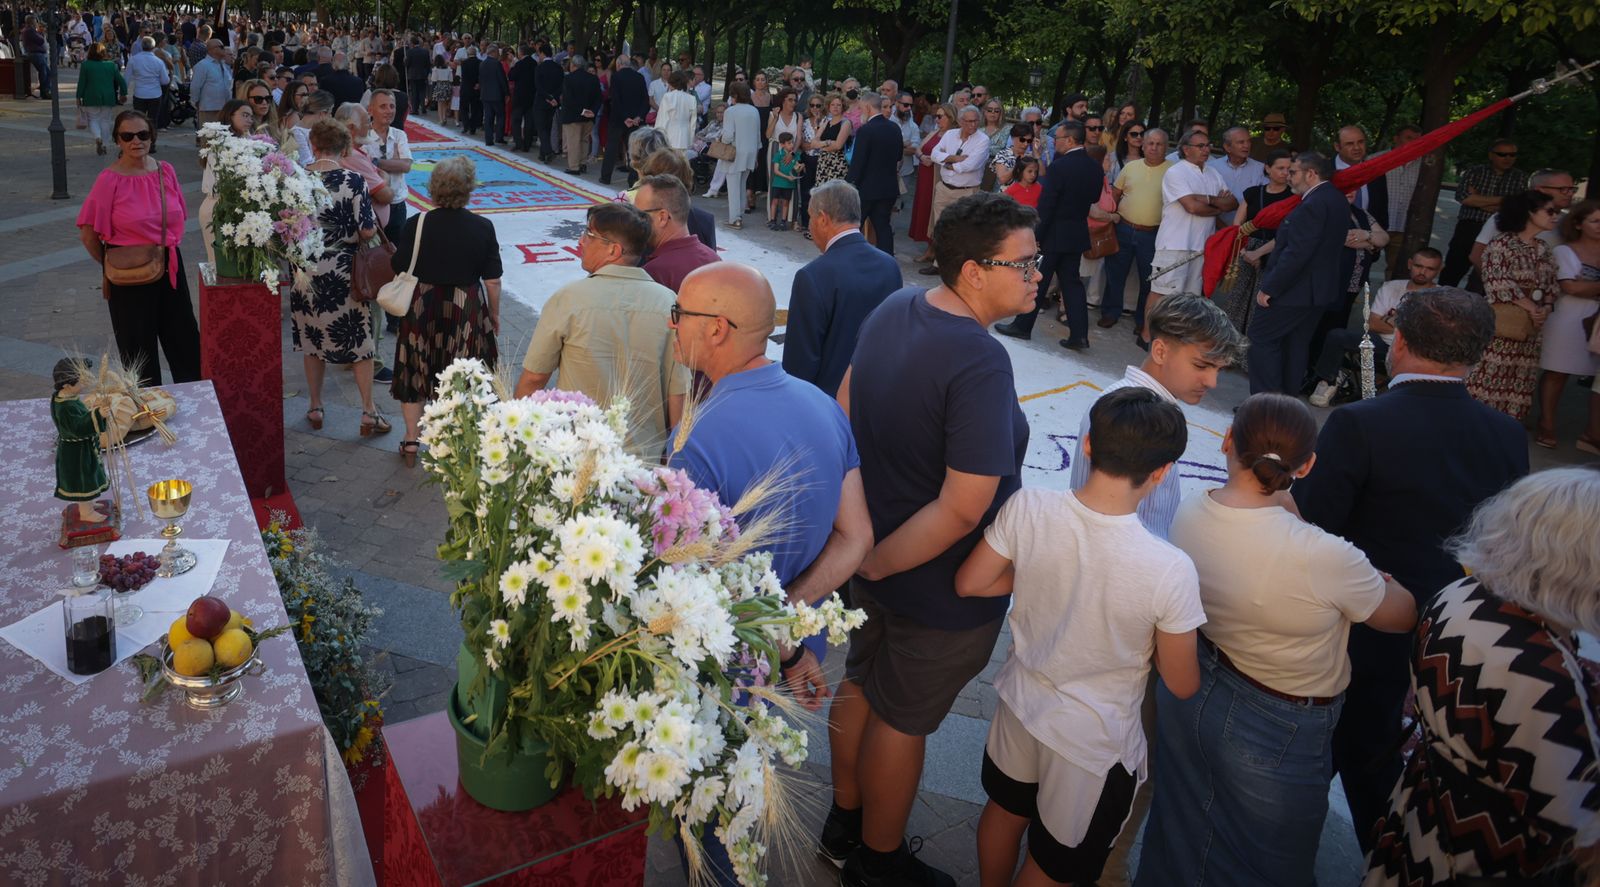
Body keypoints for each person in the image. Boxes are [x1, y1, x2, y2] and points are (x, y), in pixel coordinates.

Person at [821, 193, 1036, 887]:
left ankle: (844, 822)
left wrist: (860, 544)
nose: (1038, 275)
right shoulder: (979, 359)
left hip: (876, 556)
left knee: (860, 682)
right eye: (1025, 263)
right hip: (936, 584)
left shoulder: (898, 306)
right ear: (975, 270)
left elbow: (842, 413)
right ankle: (878, 865)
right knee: (901, 718)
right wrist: (878, 556)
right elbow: (963, 504)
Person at [1136, 393, 1417, 887]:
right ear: (1306, 466)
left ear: (1226, 440)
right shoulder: (1327, 557)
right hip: (1281, 720)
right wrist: (1372, 573)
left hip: (1196, 680)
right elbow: (1401, 615)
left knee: (1181, 825)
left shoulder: (1191, 510)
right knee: (1272, 864)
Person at [1291, 286, 1529, 852]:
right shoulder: (1509, 435)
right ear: (1478, 356)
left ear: (1397, 344)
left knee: (1338, 753)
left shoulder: (1360, 424)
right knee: (1381, 753)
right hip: (1455, 630)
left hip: (1365, 624)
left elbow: (1313, 528)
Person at [667, 261, 874, 886]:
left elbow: (693, 585)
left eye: (681, 314)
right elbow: (857, 536)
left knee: (710, 806)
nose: (672, 325)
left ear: (719, 329)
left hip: (721, 667)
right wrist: (790, 623)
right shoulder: (821, 404)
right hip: (784, 653)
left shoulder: (697, 437)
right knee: (748, 783)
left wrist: (779, 639)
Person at [958, 387, 1206, 887]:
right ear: (1161, 474)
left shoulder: (1030, 507)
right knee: (1055, 865)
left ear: (1088, 444)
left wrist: (1035, 576)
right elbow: (1182, 683)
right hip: (1093, 744)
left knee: (1003, 814)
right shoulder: (1170, 569)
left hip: (1021, 702)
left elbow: (972, 581)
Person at [1363, 468, 1600, 887]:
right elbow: (1582, 831)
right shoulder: (1540, 677)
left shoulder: (1458, 595)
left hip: (1421, 825)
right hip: (1481, 857)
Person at [514, 202, 686, 457]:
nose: (581, 241)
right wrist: (676, 455)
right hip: (643, 456)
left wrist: (515, 433)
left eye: (589, 235)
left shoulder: (569, 298)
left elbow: (534, 378)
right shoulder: (668, 301)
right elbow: (678, 391)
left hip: (577, 452)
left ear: (614, 250)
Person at [388, 156, 502, 466]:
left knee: (415, 371)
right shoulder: (483, 226)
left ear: (434, 187)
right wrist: (494, 314)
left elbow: (398, 265)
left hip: (421, 305)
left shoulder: (417, 223)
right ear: (469, 189)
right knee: (461, 374)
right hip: (465, 308)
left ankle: (412, 439)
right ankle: (452, 440)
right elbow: (492, 280)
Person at [74, 110, 200, 388]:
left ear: (151, 136)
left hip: (170, 266)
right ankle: (148, 418)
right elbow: (88, 234)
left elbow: (179, 214)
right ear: (117, 140)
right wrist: (112, 263)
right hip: (129, 275)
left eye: (142, 134)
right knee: (139, 355)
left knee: (186, 344)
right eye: (127, 136)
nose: (136, 141)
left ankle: (196, 409)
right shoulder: (109, 180)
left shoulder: (165, 171)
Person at [291, 121, 389, 438]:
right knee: (360, 342)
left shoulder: (298, 179)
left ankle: (316, 406)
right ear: (345, 148)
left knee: (312, 339)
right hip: (342, 268)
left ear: (314, 146)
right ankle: (368, 411)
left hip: (306, 268)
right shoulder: (353, 179)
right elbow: (366, 230)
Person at [784, 180, 904, 396]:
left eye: (810, 217)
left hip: (827, 403)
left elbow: (799, 362)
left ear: (822, 218)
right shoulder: (889, 266)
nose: (809, 225)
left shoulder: (813, 276)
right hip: (876, 395)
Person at [992, 120, 1102, 349]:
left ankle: (1022, 326)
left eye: (1059, 138)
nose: (1056, 142)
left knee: (1035, 278)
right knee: (1072, 283)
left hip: (1052, 233)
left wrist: (1036, 235)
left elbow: (1047, 204)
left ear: (1070, 140)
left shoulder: (1060, 167)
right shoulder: (1094, 167)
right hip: (1076, 233)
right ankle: (1080, 335)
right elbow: (1092, 198)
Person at [1248, 152, 1346, 395]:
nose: (1288, 177)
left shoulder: (1313, 204)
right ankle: (1284, 407)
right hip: (1315, 292)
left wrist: (1270, 288)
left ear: (1311, 174)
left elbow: (1297, 254)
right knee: (1295, 345)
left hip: (1294, 290)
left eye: (1293, 172)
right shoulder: (1336, 199)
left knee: (1261, 338)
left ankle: (1265, 408)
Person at [1467, 189, 1561, 422]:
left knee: (1520, 382)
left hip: (1531, 331)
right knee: (1488, 377)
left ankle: (1505, 431)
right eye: (1550, 211)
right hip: (1502, 329)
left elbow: (1551, 286)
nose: (1555, 216)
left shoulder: (1544, 249)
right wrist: (1533, 308)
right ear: (1529, 212)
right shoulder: (1501, 245)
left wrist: (1545, 309)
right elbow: (1498, 283)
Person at [1308, 247, 1443, 407]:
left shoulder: (1442, 298)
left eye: (1430, 269)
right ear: (1410, 264)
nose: (1422, 272)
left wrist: (1391, 320)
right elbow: (1372, 324)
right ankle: (1328, 382)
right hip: (1382, 343)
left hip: (1415, 351)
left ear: (1439, 270)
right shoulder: (1391, 287)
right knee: (1337, 336)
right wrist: (1410, 324)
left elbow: (1431, 334)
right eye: (1418, 266)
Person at [1209, 149, 1294, 342]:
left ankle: (1251, 355)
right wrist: (1245, 251)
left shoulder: (1294, 199)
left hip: (1274, 252)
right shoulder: (1254, 193)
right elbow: (1237, 227)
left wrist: (1259, 254)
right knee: (1236, 300)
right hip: (1246, 249)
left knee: (1261, 304)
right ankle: (1229, 348)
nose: (1285, 173)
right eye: (1280, 168)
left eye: (1289, 169)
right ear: (1267, 168)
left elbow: (1287, 233)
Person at [1150, 128, 1235, 307]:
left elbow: (1232, 203)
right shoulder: (1177, 172)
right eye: (1200, 146)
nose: (1206, 149)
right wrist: (1216, 207)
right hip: (1174, 245)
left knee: (1189, 300)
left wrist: (1207, 199)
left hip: (1201, 247)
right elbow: (1192, 207)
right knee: (1162, 295)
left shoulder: (1213, 173)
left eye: (1208, 145)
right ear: (1186, 149)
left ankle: (1175, 335)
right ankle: (1147, 335)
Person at [1540, 200, 1600, 452]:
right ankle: (1547, 423)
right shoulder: (1565, 251)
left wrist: (1588, 287)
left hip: (1596, 319)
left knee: (1596, 379)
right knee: (1557, 373)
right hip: (1568, 318)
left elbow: (1580, 286)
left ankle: (1592, 433)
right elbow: (1570, 287)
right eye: (1595, 221)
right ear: (1578, 224)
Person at [1103, 129, 1171, 345]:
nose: (1154, 147)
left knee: (1148, 281)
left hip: (1152, 234)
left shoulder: (1173, 171)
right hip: (1124, 227)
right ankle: (1110, 313)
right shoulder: (1131, 167)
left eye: (1159, 144)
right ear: (1143, 145)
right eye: (1150, 143)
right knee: (1115, 273)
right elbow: (1115, 193)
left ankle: (1142, 321)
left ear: (1166, 147)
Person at [1442, 139, 1529, 287]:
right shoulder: (1475, 172)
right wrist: (1505, 201)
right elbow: (1464, 198)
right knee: (1453, 269)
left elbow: (1518, 205)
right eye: (1502, 154)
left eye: (1512, 155)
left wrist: (1479, 200)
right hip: (1470, 227)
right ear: (1491, 155)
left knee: (1485, 274)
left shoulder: (1520, 177)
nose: (1508, 158)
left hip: (1501, 230)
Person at [921, 106, 989, 275]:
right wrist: (954, 159)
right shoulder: (950, 135)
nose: (973, 125)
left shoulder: (983, 140)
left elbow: (971, 165)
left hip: (966, 191)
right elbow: (934, 154)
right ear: (960, 121)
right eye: (968, 121)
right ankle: (938, 264)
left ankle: (958, 268)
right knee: (940, 228)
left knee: (963, 230)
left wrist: (946, 162)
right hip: (944, 188)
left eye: (975, 121)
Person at [637, 174, 720, 292]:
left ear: (662, 217)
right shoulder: (714, 259)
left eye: (639, 214)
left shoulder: (655, 272)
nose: (634, 220)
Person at [845, 91, 901, 254]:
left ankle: (848, 256)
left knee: (853, 227)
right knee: (883, 226)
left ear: (868, 108)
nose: (861, 112)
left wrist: (848, 184)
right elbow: (898, 156)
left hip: (866, 189)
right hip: (888, 187)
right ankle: (887, 260)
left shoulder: (866, 130)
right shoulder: (894, 128)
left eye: (862, 108)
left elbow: (858, 162)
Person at [601, 55, 648, 185]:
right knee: (633, 150)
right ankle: (633, 179)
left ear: (619, 64)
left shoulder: (616, 77)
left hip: (618, 119)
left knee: (611, 147)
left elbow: (615, 100)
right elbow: (645, 100)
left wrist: (625, 117)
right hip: (635, 120)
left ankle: (606, 177)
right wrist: (639, 117)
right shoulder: (639, 77)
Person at [76, 42, 126, 156]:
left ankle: (98, 137)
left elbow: (82, 83)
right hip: (108, 97)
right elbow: (121, 81)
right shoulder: (111, 65)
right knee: (105, 121)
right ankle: (104, 144)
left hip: (91, 96)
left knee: (93, 120)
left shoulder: (86, 65)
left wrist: (78, 97)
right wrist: (124, 93)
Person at [559, 54, 601, 174]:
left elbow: (569, 99)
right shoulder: (593, 78)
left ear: (573, 65)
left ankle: (574, 166)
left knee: (573, 141)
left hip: (573, 116)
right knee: (584, 140)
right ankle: (582, 163)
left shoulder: (568, 78)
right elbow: (598, 98)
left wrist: (582, 111)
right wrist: (592, 111)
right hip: (589, 116)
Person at [127, 37, 170, 131]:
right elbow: (165, 81)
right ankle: (151, 142)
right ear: (153, 47)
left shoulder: (134, 59)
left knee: (139, 120)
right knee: (153, 120)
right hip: (155, 94)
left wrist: (123, 93)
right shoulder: (158, 62)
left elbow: (127, 78)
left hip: (139, 93)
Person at [190, 39, 234, 123]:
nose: (224, 49)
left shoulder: (223, 65)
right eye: (221, 47)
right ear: (213, 49)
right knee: (208, 135)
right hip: (208, 109)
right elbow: (195, 87)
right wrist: (196, 102)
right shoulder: (202, 65)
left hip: (224, 108)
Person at [656, 69, 698, 153]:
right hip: (684, 137)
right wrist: (690, 140)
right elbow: (693, 123)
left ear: (671, 83)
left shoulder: (668, 97)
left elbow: (662, 120)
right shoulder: (691, 98)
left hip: (669, 137)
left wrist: (658, 139)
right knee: (681, 164)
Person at [767, 132, 801, 230]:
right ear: (782, 144)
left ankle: (783, 222)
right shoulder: (778, 155)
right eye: (789, 143)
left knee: (786, 203)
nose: (792, 145)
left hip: (789, 185)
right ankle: (773, 220)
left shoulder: (795, 155)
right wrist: (787, 177)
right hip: (778, 183)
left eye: (792, 143)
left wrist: (800, 167)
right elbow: (776, 171)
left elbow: (797, 167)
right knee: (775, 201)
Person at [476, 46, 509, 147]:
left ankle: (488, 139)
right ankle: (499, 137)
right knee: (500, 116)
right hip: (497, 95)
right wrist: (506, 93)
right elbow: (502, 80)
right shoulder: (496, 64)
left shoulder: (482, 63)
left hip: (485, 94)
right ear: (494, 52)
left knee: (488, 117)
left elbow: (480, 79)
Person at [403, 36, 430, 116]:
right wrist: (426, 73)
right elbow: (428, 64)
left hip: (413, 74)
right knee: (422, 91)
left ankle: (415, 109)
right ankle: (423, 108)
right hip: (422, 74)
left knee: (414, 92)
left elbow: (407, 64)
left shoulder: (410, 52)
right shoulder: (425, 51)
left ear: (412, 43)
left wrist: (405, 60)